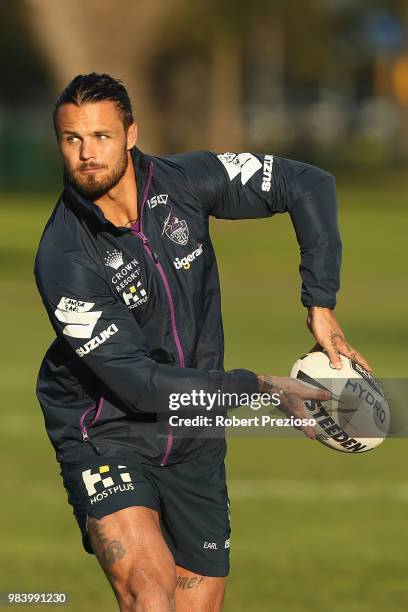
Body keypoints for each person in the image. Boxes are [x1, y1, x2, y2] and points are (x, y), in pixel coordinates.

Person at [34, 72, 371, 612]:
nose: (86, 153)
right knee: (149, 592)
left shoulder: (185, 181)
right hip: (107, 428)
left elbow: (308, 184)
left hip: (196, 428)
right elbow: (141, 386)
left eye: (100, 136)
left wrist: (320, 304)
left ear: (130, 134)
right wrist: (259, 387)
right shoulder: (64, 259)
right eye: (72, 139)